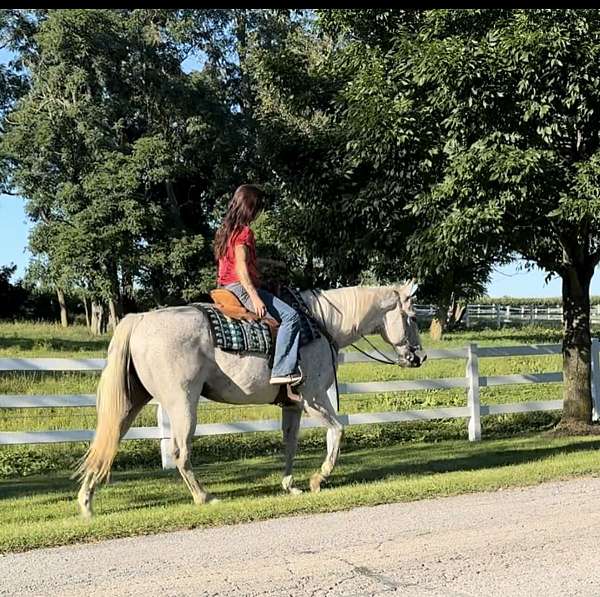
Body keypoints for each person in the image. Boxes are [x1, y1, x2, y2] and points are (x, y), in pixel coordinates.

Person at [214, 184, 303, 386]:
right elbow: (241, 267)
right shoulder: (245, 233)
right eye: (258, 209)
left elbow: (238, 261)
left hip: (225, 287)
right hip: (241, 288)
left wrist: (272, 264)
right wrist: (254, 297)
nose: (258, 214)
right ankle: (282, 369)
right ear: (250, 207)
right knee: (291, 317)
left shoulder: (226, 231)